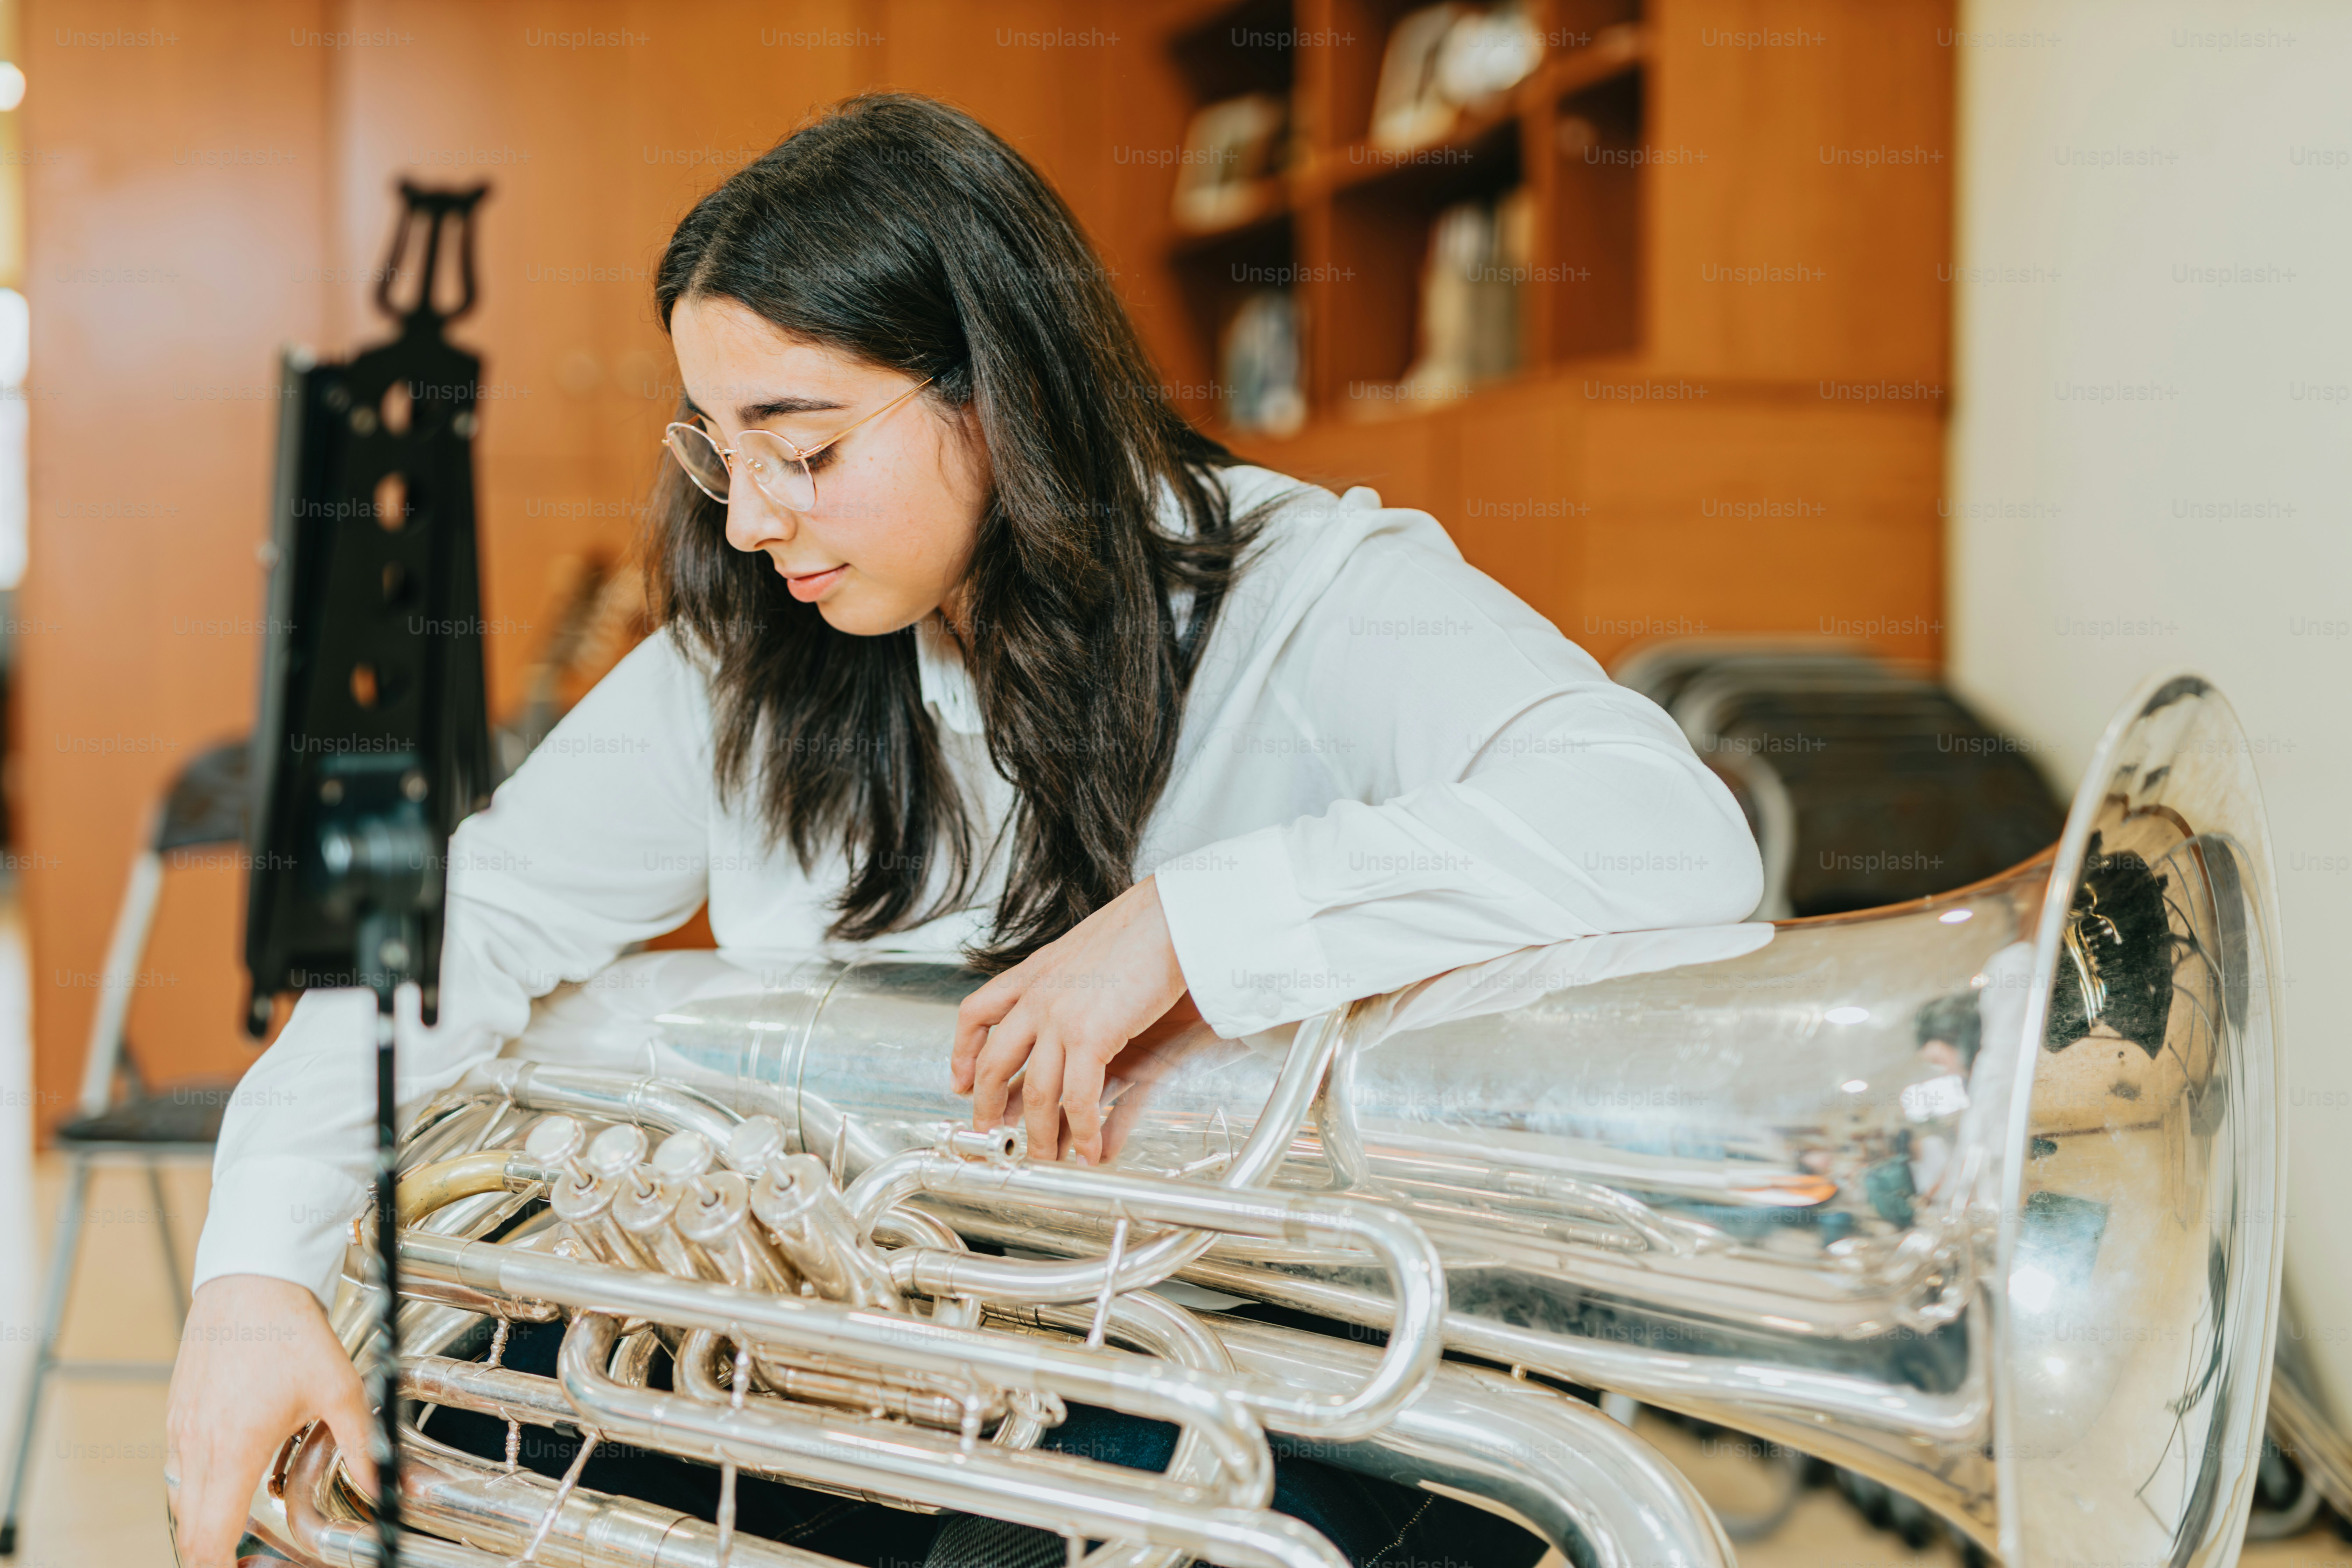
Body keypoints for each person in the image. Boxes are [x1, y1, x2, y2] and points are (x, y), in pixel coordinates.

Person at [165, 92, 1761, 1568]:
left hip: (1265, 1346)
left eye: (802, 448)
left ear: (998, 389)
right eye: (717, 447)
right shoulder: (749, 648)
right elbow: (470, 921)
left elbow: (1667, 832)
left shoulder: (1297, 591)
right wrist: (252, 1271)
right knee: (426, 1432)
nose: (746, 516)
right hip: (903, 1361)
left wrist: (1183, 928)